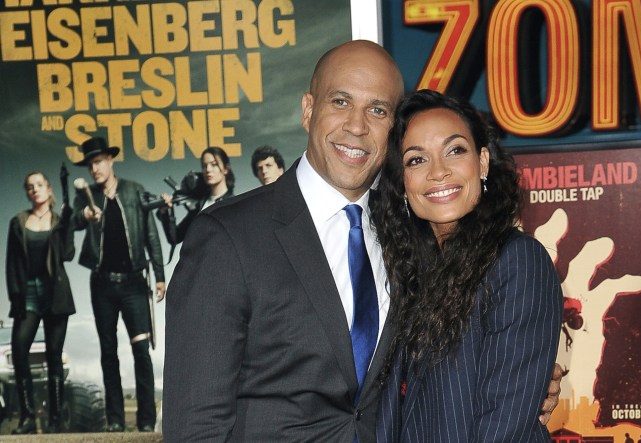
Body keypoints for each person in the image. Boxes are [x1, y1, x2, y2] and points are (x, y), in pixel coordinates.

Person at [163, 40, 560, 442]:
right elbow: (196, 424)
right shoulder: (228, 235)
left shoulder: (407, 237)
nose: (357, 125)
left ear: (392, 131)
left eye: (377, 110)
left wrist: (530, 379)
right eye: (340, 101)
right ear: (307, 110)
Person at [372, 89, 562, 441]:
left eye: (455, 150)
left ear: (483, 162)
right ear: (402, 182)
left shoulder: (517, 260)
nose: (438, 172)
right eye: (417, 160)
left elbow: (502, 427)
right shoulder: (407, 272)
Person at [72, 137, 165, 432]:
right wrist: (85, 214)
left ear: (111, 161)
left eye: (99, 162)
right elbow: (74, 219)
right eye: (90, 164)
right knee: (108, 351)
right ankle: (114, 420)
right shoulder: (85, 197)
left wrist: (160, 275)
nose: (95, 168)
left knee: (141, 351)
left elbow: (150, 234)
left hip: (134, 284)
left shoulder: (134, 190)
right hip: (101, 285)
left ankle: (147, 422)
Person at [5, 172, 75, 434]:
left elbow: (68, 254)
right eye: (29, 186)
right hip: (28, 293)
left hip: (56, 293)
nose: (34, 190)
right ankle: (27, 418)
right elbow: (11, 263)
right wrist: (15, 297)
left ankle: (55, 420)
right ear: (28, 192)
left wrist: (67, 224)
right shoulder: (18, 222)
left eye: (39, 185)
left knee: (54, 355)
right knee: (20, 350)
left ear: (49, 189)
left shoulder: (59, 220)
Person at [157, 146, 235, 245]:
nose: (208, 170)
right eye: (204, 166)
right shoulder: (200, 204)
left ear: (225, 169)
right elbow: (175, 238)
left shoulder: (233, 204)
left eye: (214, 164)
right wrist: (165, 212)